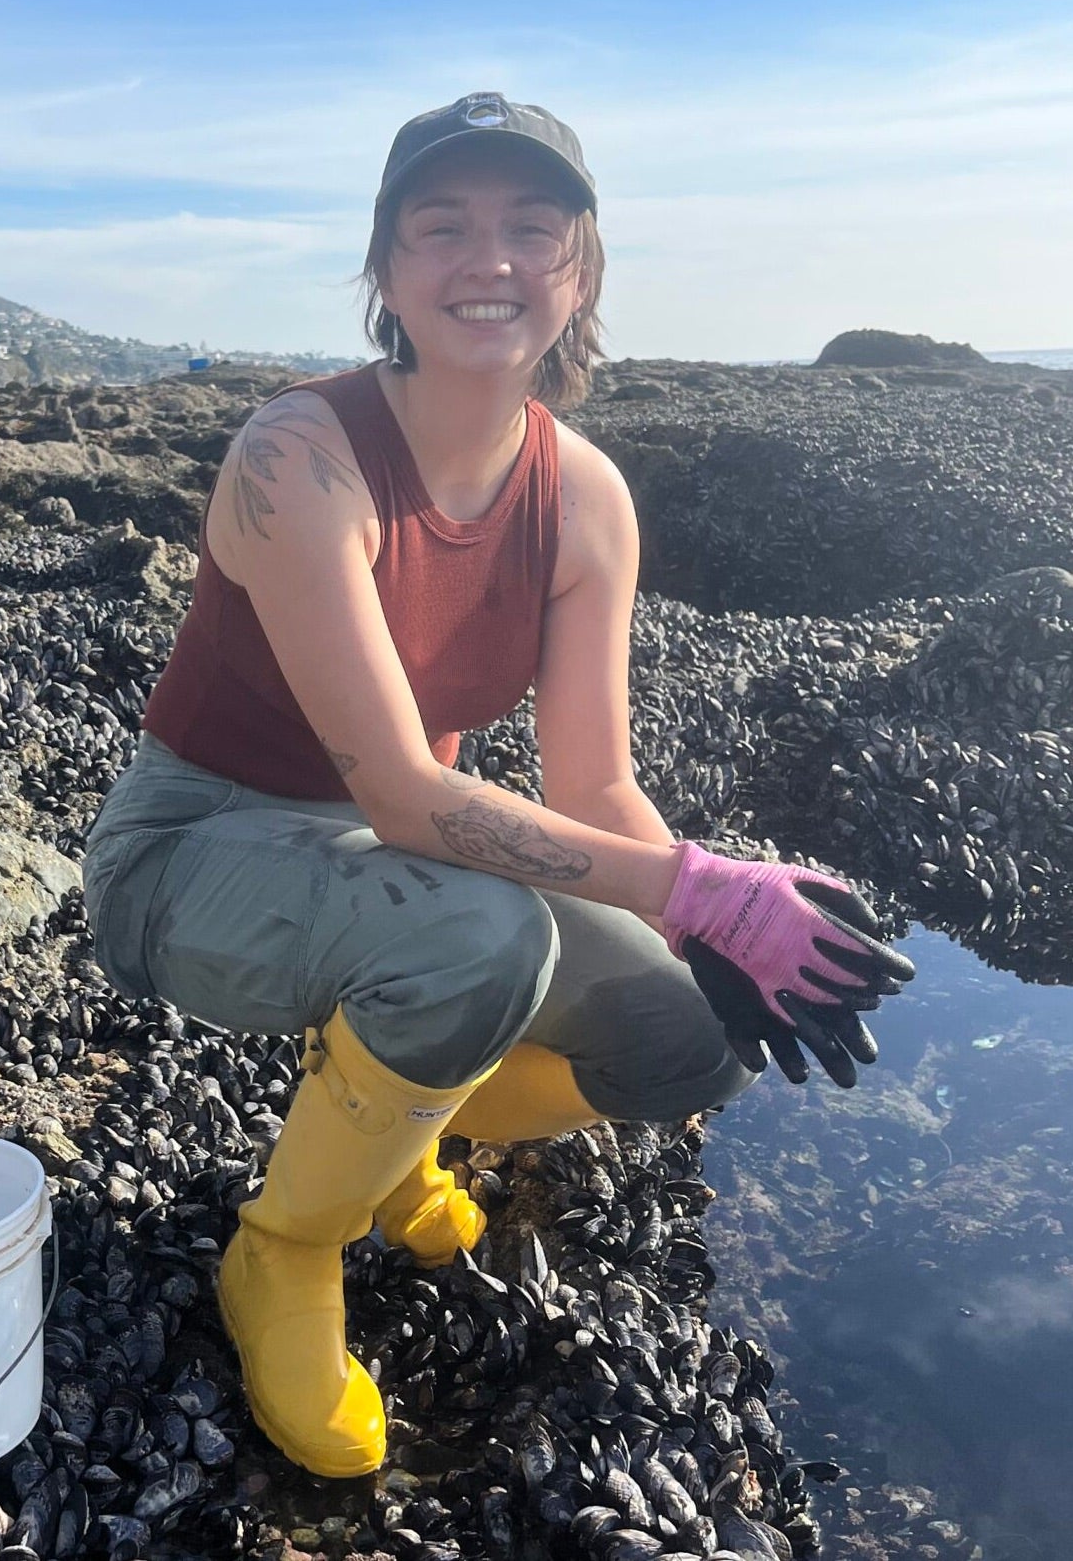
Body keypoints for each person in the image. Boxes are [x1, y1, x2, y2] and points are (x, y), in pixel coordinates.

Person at [81, 91, 913, 1479]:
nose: (492, 259)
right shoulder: (299, 456)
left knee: (685, 1031)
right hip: (195, 851)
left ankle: (385, 1112)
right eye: (444, 225)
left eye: (534, 226)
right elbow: (408, 794)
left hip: (377, 870)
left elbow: (594, 784)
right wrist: (703, 885)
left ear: (580, 271)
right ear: (387, 271)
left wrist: (712, 926)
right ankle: (286, 1247)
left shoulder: (583, 495)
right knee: (482, 938)